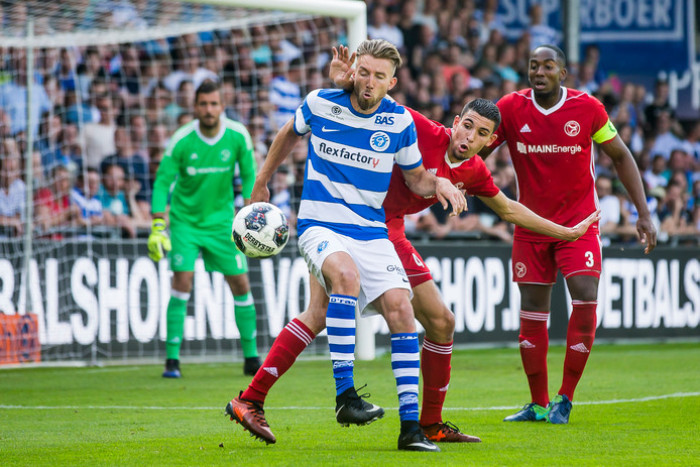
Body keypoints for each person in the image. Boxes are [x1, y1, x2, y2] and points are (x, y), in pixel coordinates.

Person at [224, 45, 601, 448]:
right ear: (455, 123)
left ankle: (257, 398)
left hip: (381, 232)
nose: (469, 138)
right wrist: (346, 82)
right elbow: (378, 95)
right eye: (467, 126)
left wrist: (564, 232)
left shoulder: (473, 171)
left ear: (491, 141)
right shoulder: (421, 128)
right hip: (358, 225)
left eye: (481, 135)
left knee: (402, 319)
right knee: (422, 319)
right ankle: (402, 416)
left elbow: (508, 209)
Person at [226, 39, 467, 453]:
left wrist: (439, 180)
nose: (370, 82)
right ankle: (345, 397)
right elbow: (288, 133)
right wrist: (262, 179)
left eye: (379, 76)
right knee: (346, 277)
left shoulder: (399, 122)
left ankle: (410, 428)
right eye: (365, 71)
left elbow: (415, 179)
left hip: (372, 231)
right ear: (354, 70)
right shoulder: (321, 102)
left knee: (400, 310)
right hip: (320, 224)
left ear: (391, 82)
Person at [478, 44, 657, 424]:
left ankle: (566, 398)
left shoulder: (588, 108)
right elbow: (478, 149)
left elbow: (621, 156)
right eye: (532, 66)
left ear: (563, 73)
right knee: (532, 310)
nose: (538, 72)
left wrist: (644, 213)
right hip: (530, 226)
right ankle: (538, 403)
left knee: (585, 294)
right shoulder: (510, 108)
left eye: (547, 66)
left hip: (579, 226)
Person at [148, 79, 261, 378]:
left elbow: (249, 174)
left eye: (214, 104)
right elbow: (162, 182)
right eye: (203, 104)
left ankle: (251, 357)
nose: (209, 110)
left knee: (240, 284)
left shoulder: (238, 135)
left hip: (222, 222)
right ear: (195, 107)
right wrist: (159, 221)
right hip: (185, 222)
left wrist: (248, 210)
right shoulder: (182, 140)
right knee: (182, 281)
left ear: (222, 107)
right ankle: (172, 360)